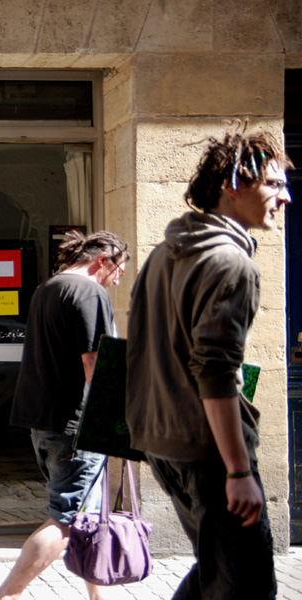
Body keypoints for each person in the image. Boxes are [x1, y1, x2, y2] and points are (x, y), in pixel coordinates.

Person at [125, 129, 292, 599]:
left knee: (215, 573)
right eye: (273, 185)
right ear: (232, 185)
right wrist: (238, 470)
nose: (285, 196)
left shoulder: (161, 255)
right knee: (247, 587)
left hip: (164, 444)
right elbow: (213, 370)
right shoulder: (231, 264)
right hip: (208, 453)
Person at [0, 229, 129, 600]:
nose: (120, 277)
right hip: (75, 425)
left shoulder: (48, 288)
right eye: (120, 268)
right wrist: (116, 420)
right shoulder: (90, 292)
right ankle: (5, 595)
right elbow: (94, 363)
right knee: (66, 519)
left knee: (85, 515)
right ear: (103, 260)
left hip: (44, 421)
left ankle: (98, 596)